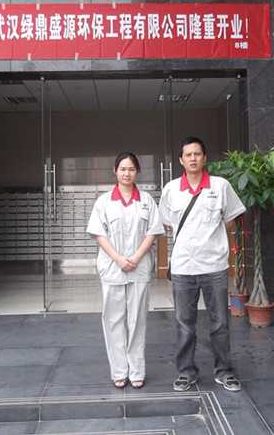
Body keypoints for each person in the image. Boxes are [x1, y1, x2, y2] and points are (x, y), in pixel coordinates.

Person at [159, 136, 246, 392]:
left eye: (197, 154)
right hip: (183, 267)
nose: (193, 158)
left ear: (205, 157)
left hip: (214, 267)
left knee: (220, 323)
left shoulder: (220, 186)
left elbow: (230, 219)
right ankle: (186, 372)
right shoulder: (171, 189)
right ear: (181, 160)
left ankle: (224, 371)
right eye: (188, 155)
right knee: (184, 324)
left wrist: (212, 242)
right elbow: (167, 222)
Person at [87, 152, 164, 389]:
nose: (126, 173)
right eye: (122, 169)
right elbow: (99, 234)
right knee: (113, 320)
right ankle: (119, 371)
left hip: (139, 268)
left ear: (137, 171)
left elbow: (152, 232)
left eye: (131, 169)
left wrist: (136, 258)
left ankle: (137, 370)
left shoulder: (146, 200)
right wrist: (119, 259)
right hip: (113, 267)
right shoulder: (104, 201)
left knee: (137, 320)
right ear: (115, 171)